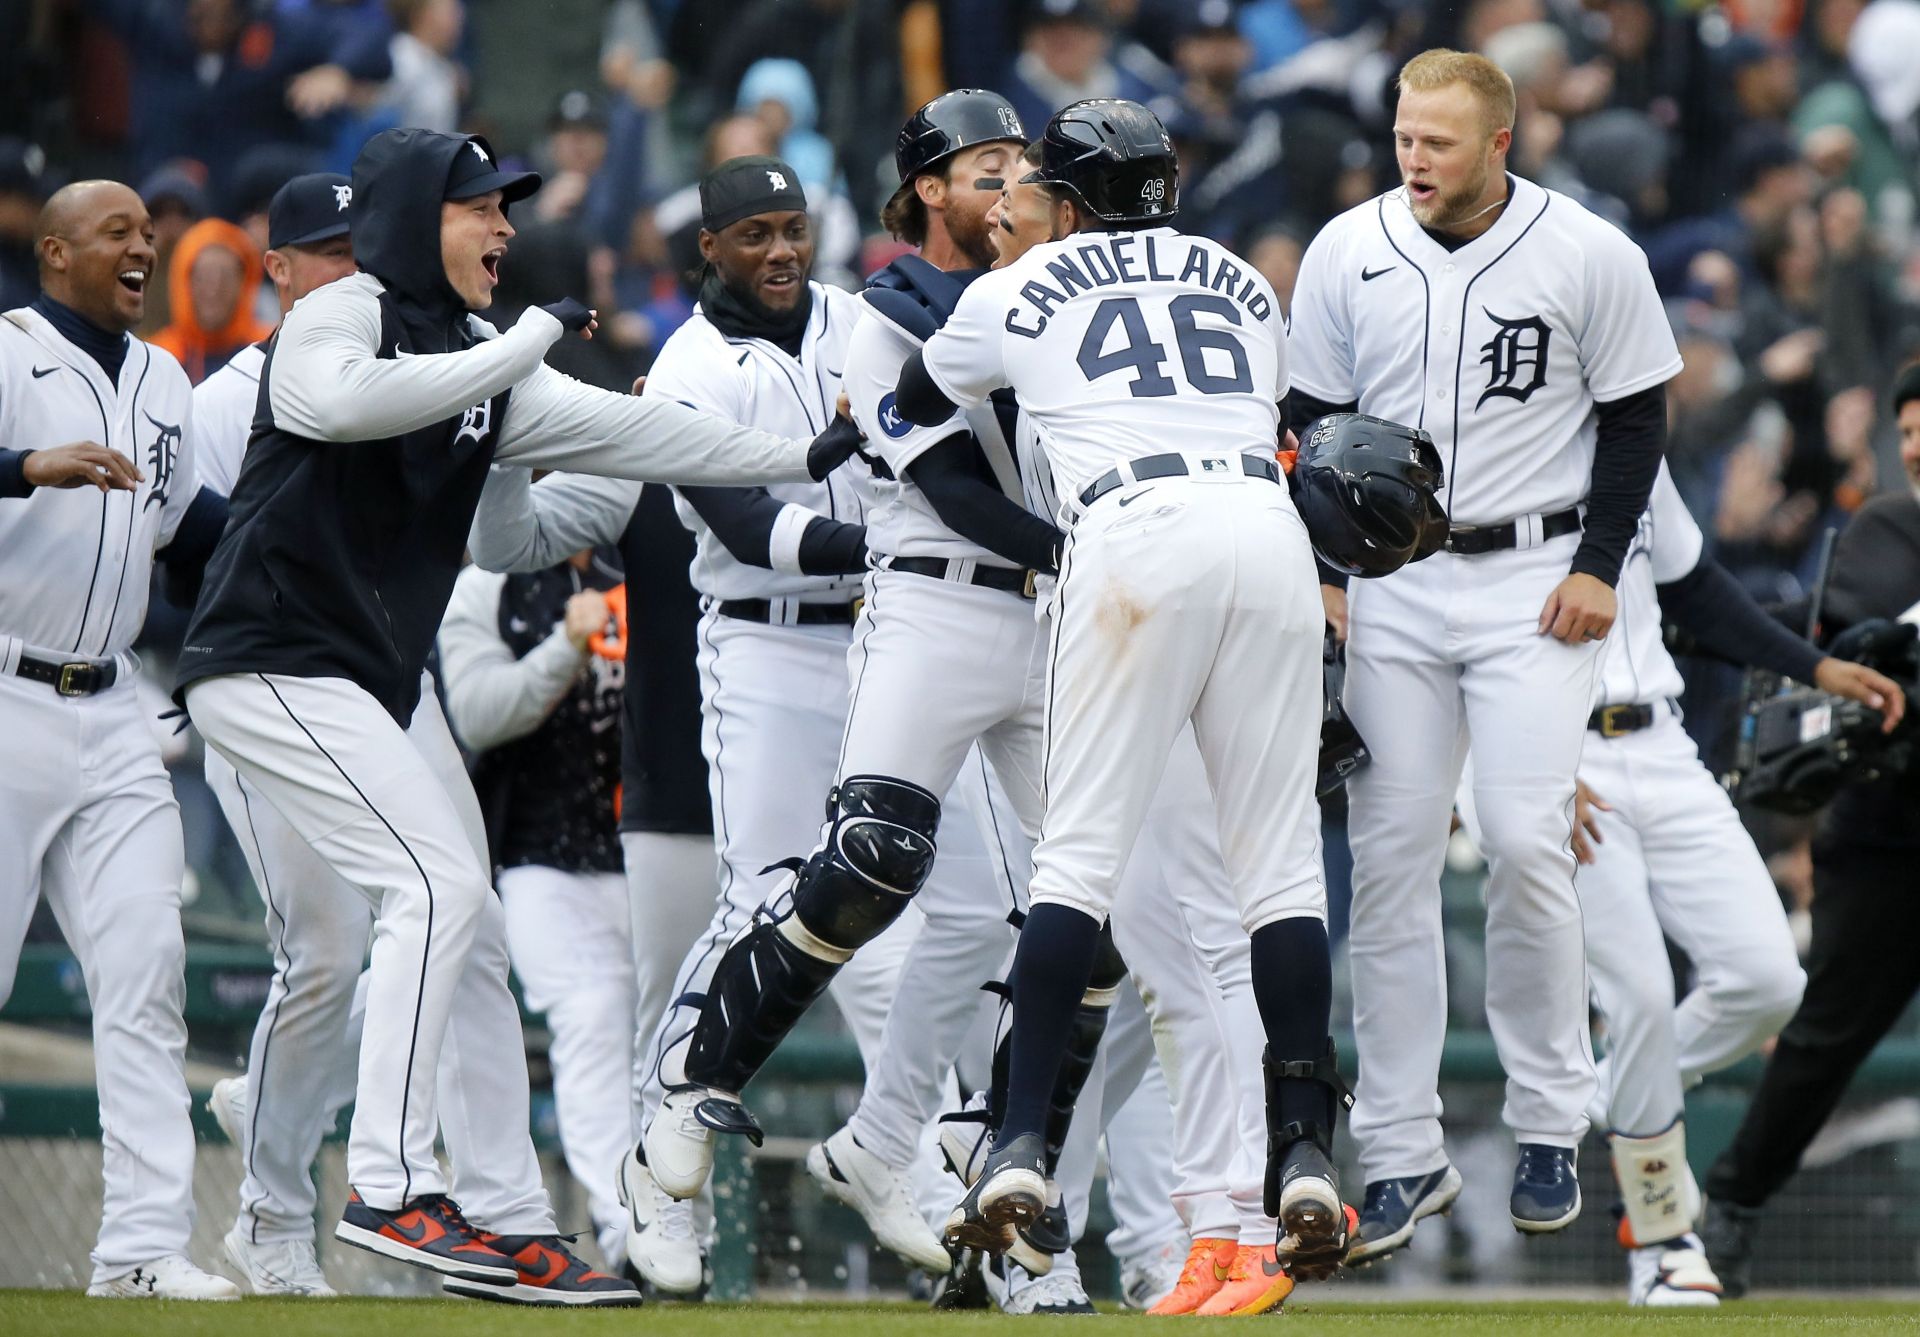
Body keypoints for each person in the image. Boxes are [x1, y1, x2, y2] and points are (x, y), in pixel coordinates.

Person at [173, 126, 861, 1305]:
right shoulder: (346, 313)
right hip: (267, 657)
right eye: (478, 207)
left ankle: (496, 1215)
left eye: (507, 209)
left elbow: (639, 434)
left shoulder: (487, 354)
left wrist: (802, 451)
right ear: (405, 220)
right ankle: (389, 1186)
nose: (503, 228)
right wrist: (522, 349)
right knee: (433, 891)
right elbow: (339, 408)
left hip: (363, 683)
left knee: (457, 913)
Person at [895, 98, 1353, 1281]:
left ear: (1073, 194)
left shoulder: (1016, 286)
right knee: (1281, 872)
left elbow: (916, 403)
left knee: (1076, 863)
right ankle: (1303, 1149)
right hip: (1266, 532)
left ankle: (1015, 1144)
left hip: (1131, 534)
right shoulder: (1243, 278)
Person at [469, 153, 930, 1296]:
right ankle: (654, 1190)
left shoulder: (866, 324)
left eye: (793, 227)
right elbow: (731, 520)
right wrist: (899, 549)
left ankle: (911, 1170)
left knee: (903, 933)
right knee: (750, 910)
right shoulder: (677, 371)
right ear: (704, 254)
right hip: (747, 665)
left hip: (880, 641)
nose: (780, 250)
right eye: (754, 233)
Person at [1284, 49, 1682, 1258]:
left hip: (1534, 577)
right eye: (1406, 136)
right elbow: (1304, 421)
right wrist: (1323, 573)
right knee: (1395, 859)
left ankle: (1552, 1118)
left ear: (1500, 142)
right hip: (1398, 580)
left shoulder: (1589, 250)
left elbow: (1637, 415)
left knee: (1521, 838)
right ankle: (1402, 1154)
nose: (1415, 158)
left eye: (1439, 142)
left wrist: (1601, 564)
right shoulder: (1347, 246)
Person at [1459, 463, 1903, 1304]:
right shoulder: (1482, 434)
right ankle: (1658, 1238)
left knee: (1767, 980)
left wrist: (1815, 666)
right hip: (1553, 752)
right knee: (1638, 995)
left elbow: (1695, 586)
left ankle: (1604, 1095)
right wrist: (1510, 763)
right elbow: (1437, 637)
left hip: (1661, 742)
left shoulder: (1637, 451)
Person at [0, 178, 235, 1301]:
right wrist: (22, 469)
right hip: (5, 692)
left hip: (115, 706)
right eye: (118, 233)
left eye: (151, 233)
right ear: (55, 252)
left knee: (147, 969)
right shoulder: (8, 352)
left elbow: (194, 529)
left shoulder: (163, 378)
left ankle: (141, 1249)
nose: (144, 247)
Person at [1702, 362, 1920, 1299]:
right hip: (1891, 831)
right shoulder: (1889, 529)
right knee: (1827, 1034)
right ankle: (1731, 1207)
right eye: (1907, 429)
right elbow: (1846, 639)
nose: (1914, 446)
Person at [193, 172, 362, 1298]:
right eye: (327, 251)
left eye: (364, 249)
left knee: (427, 928)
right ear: (281, 270)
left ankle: (273, 1097)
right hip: (260, 690)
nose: (351, 269)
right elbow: (184, 553)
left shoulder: (392, 379)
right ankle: (269, 1214)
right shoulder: (232, 392)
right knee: (329, 951)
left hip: (364, 698)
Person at [438, 546, 633, 1271]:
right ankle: (627, 1230)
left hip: (648, 851)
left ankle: (676, 1226)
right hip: (534, 855)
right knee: (593, 1014)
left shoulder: (639, 563)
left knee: (659, 1040)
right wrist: (565, 645)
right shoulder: (492, 581)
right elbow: (480, 712)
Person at [151, 216, 273, 383]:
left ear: (244, 282)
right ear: (184, 282)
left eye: (225, 277)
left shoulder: (269, 350)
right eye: (203, 277)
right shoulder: (160, 358)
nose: (213, 289)